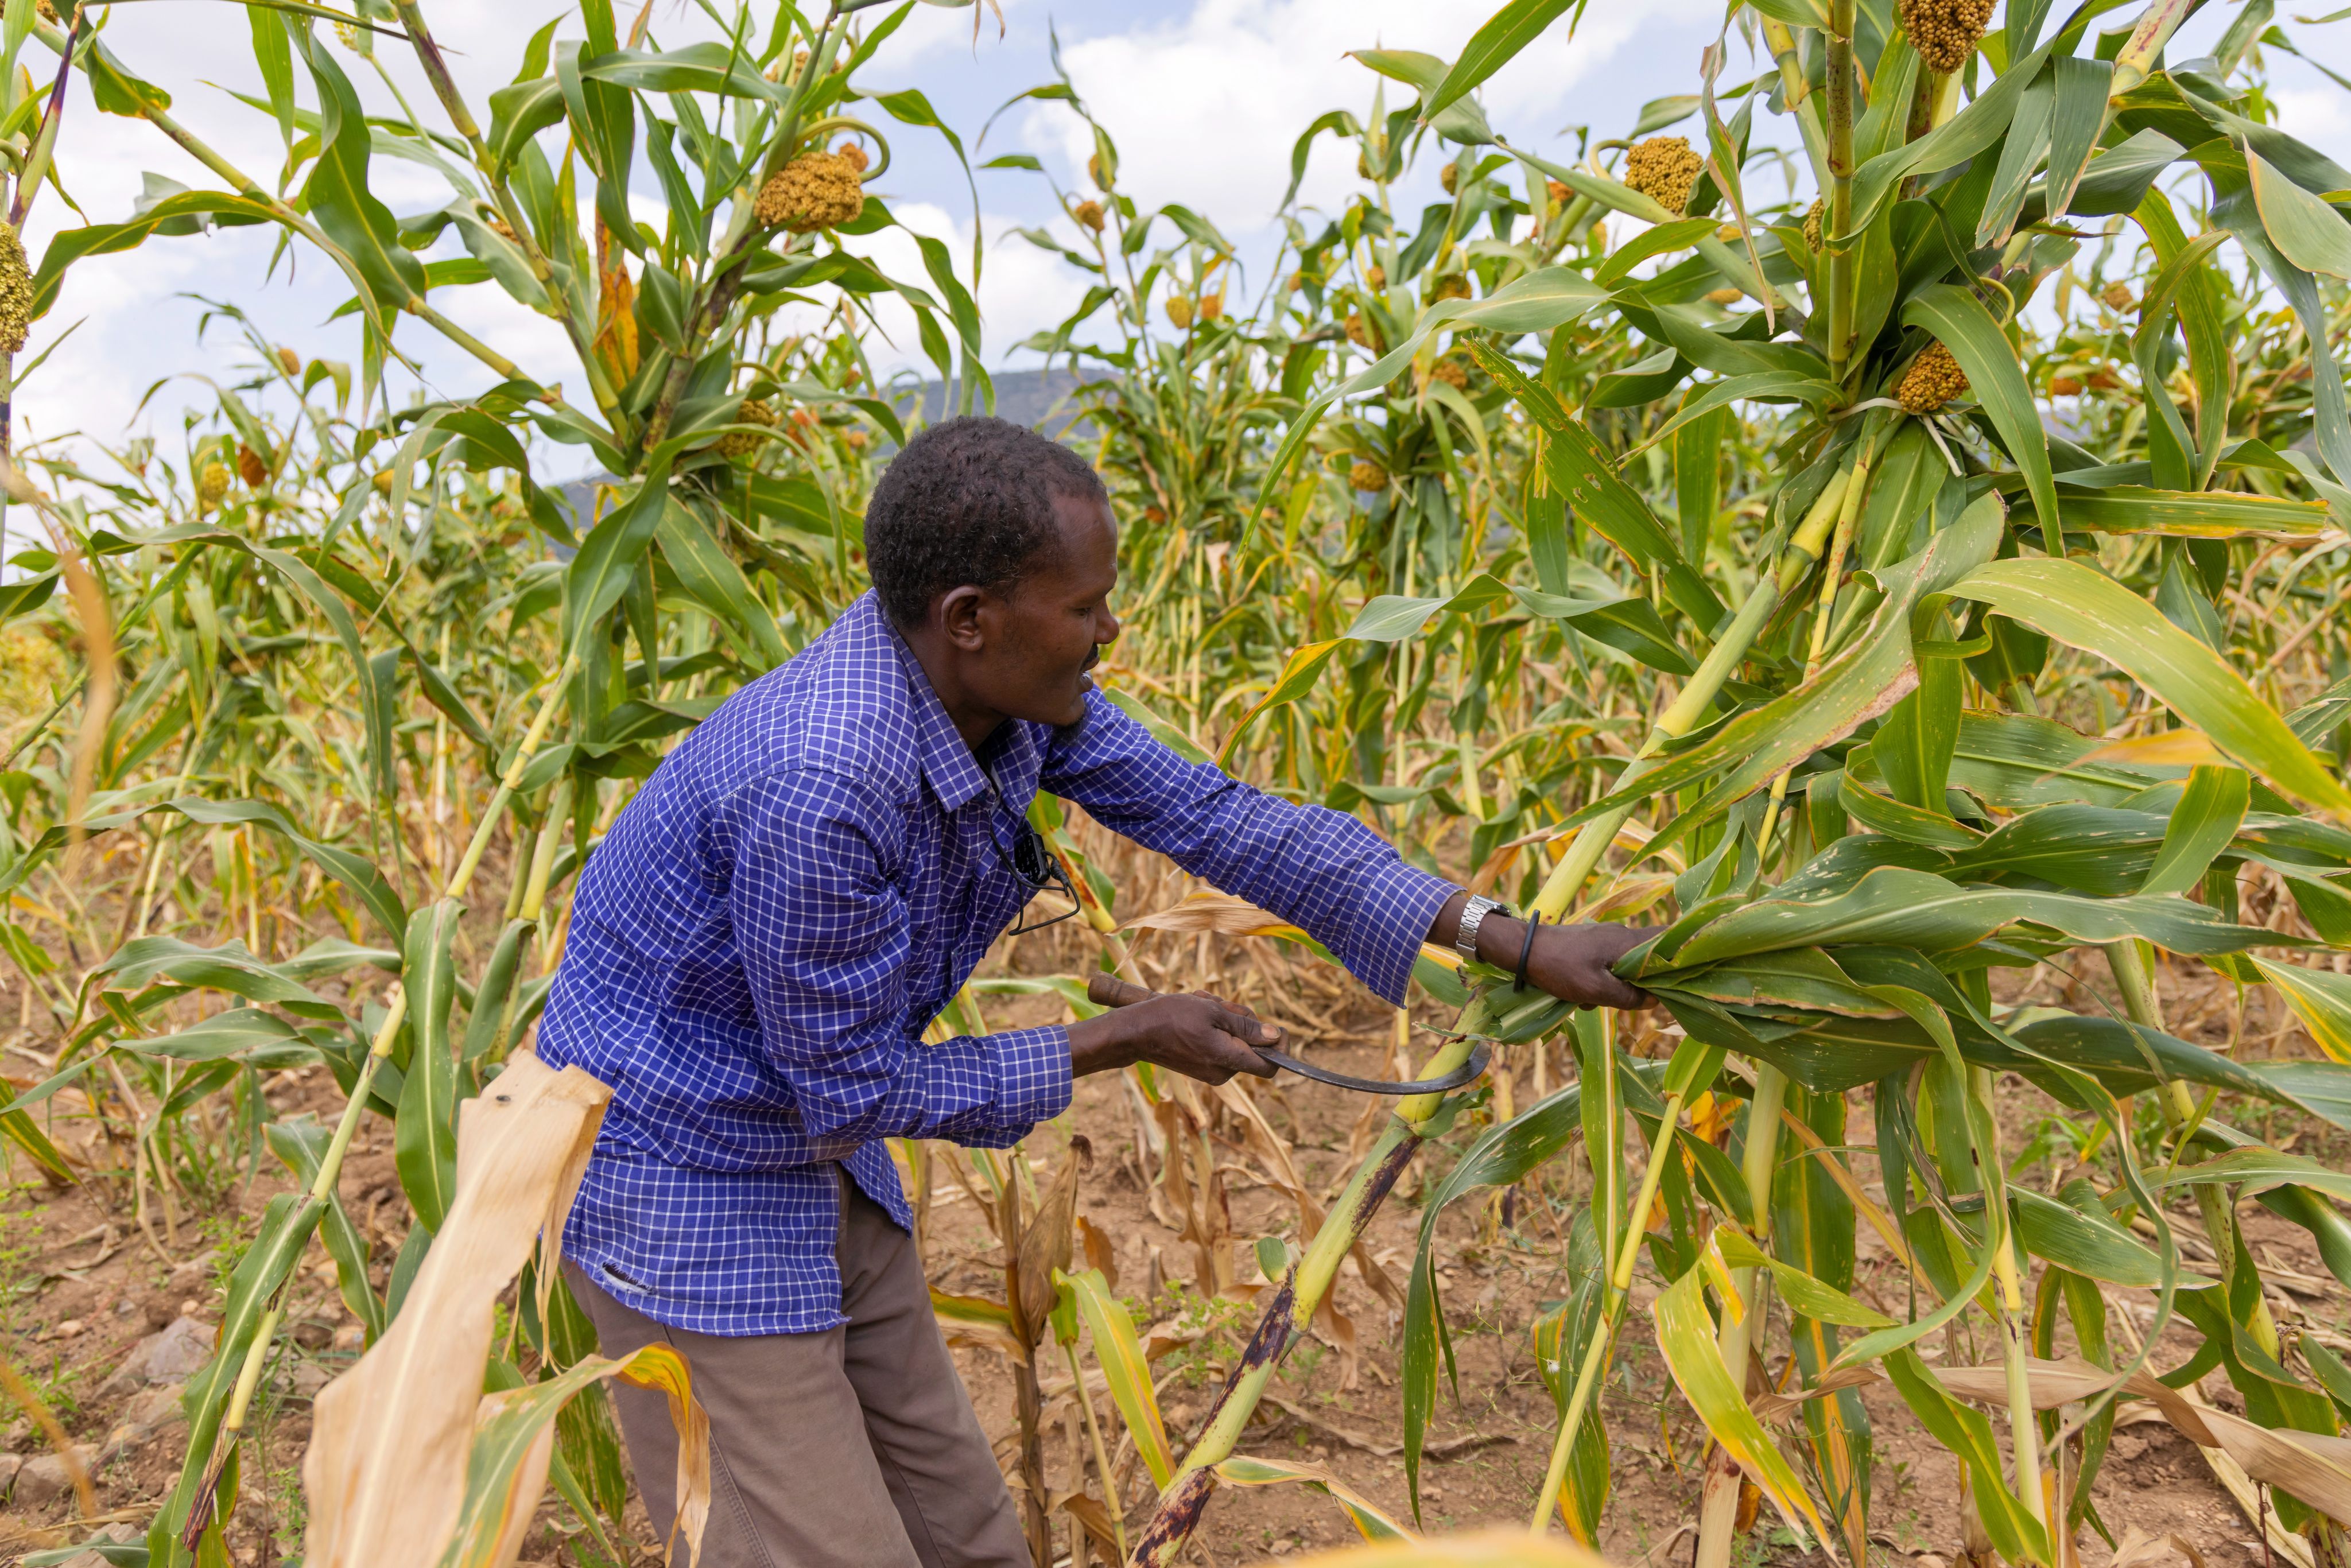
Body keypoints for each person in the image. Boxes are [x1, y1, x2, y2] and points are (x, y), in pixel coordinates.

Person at [536, 416, 1650, 1568]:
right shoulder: (822, 784)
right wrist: (1123, 1037)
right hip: (687, 1182)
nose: (1108, 633)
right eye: (1084, 609)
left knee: (968, 1534)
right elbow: (850, 1084)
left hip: (817, 1164)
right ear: (970, 617)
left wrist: (1508, 938)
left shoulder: (991, 696)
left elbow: (1216, 816)